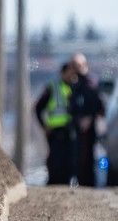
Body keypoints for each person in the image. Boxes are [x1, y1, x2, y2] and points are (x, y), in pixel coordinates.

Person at [34, 61, 77, 185]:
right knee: (55, 162)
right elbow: (38, 108)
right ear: (63, 73)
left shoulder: (74, 87)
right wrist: (44, 126)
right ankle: (53, 184)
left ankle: (67, 184)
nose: (72, 76)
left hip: (69, 131)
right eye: (70, 72)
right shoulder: (53, 87)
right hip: (56, 132)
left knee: (70, 161)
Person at [69, 51, 105, 187]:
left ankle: (90, 184)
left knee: (90, 159)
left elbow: (99, 106)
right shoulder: (74, 86)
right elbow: (71, 107)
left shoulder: (92, 85)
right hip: (76, 130)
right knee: (77, 159)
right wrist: (77, 119)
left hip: (90, 131)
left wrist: (90, 118)